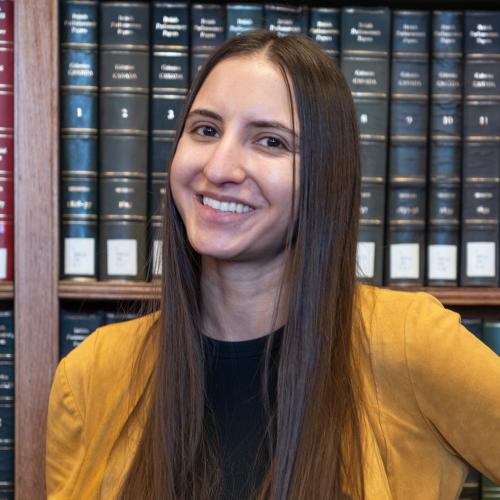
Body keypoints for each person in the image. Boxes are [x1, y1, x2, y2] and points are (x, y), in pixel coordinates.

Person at [46, 31, 500, 500]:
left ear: (326, 174)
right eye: (206, 130)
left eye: (270, 142)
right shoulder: (90, 376)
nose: (221, 167)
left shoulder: (409, 343)